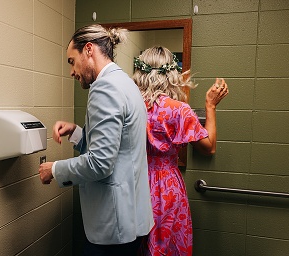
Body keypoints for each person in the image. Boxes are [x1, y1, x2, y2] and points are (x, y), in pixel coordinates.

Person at [38, 24, 153, 255]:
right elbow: (120, 146)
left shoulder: (104, 88)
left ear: (88, 50)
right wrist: (77, 133)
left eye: (72, 61)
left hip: (114, 224)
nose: (71, 71)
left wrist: (55, 169)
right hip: (131, 218)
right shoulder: (125, 82)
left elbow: (100, 162)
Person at [133, 46, 228, 256]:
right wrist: (210, 106)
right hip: (167, 187)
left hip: (134, 183)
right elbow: (208, 147)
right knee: (167, 245)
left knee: (135, 246)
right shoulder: (178, 110)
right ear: (172, 74)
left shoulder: (129, 106)